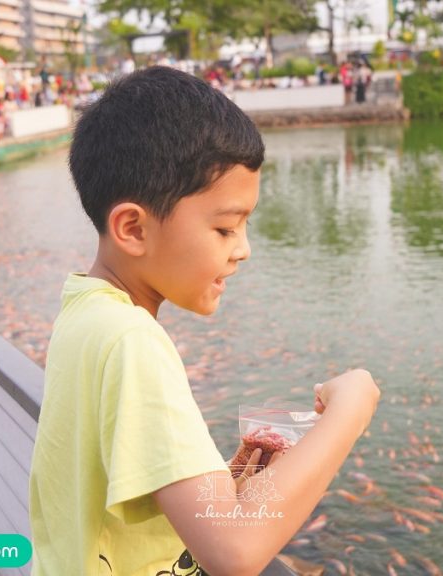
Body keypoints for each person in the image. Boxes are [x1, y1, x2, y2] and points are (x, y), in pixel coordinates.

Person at [28, 67, 381, 575]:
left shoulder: (84, 312)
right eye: (225, 228)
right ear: (133, 228)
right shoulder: (133, 341)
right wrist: (349, 415)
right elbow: (233, 553)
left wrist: (223, 483)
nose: (244, 249)